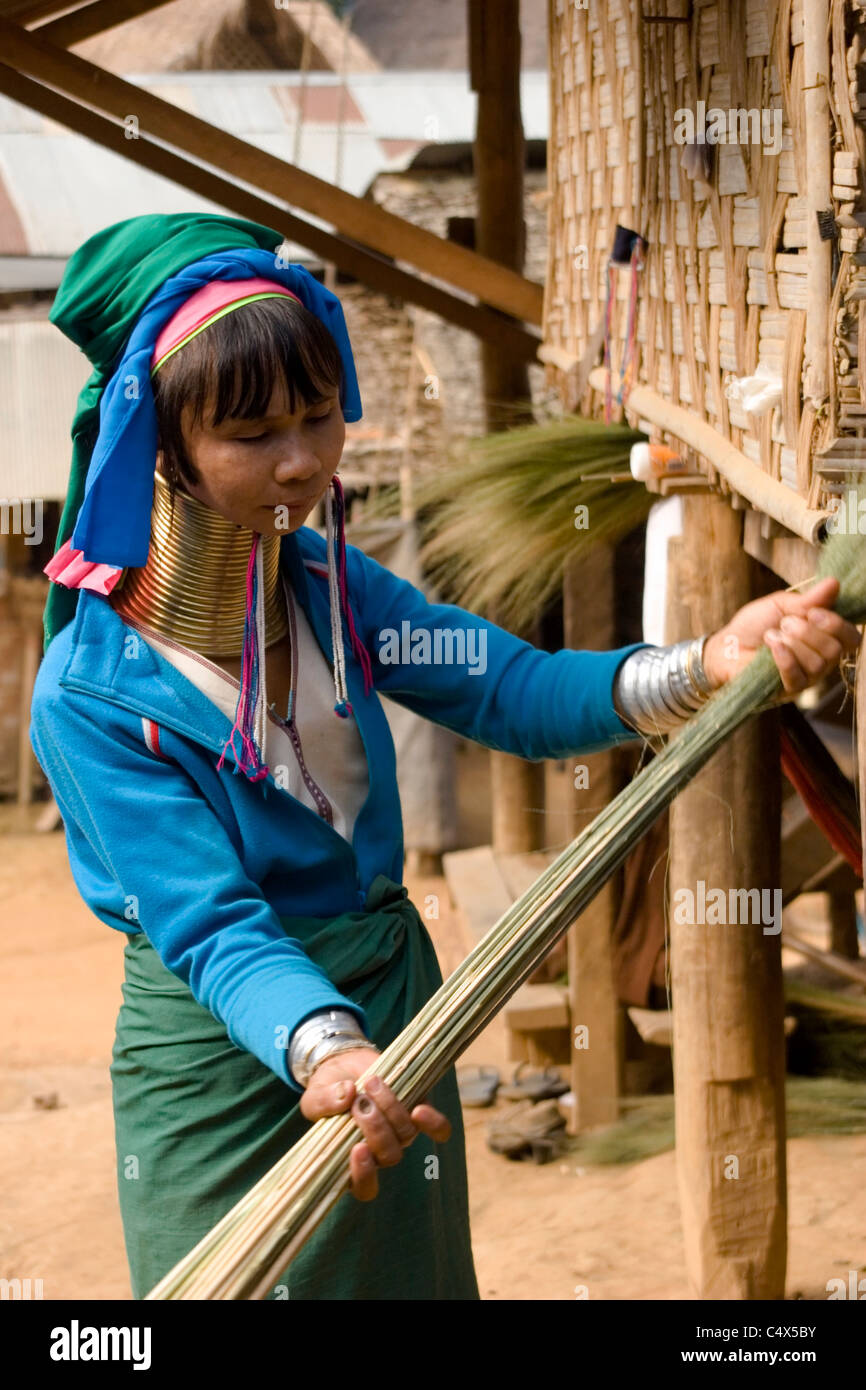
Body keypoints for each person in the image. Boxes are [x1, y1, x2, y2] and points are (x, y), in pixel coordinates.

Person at [29, 212, 860, 1302]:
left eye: (318, 417)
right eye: (250, 434)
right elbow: (212, 924)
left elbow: (512, 690)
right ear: (161, 448)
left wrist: (709, 658)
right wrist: (327, 1051)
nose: (301, 460)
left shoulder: (328, 585)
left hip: (388, 1032)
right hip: (231, 1066)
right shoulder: (91, 696)